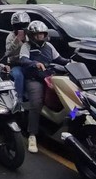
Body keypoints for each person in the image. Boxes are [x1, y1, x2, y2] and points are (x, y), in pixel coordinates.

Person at [19, 20, 70, 154]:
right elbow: (23, 60)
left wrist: (72, 62)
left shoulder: (49, 46)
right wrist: (35, 63)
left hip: (50, 77)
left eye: (42, 34)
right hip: (34, 79)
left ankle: (70, 122)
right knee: (36, 103)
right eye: (37, 34)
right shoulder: (27, 46)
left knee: (71, 99)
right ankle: (32, 135)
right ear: (31, 35)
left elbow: (60, 60)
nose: (40, 36)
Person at [5, 11, 30, 101]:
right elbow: (8, 52)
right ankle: (19, 99)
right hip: (15, 64)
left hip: (29, 63)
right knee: (19, 75)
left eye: (24, 26)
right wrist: (17, 40)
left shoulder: (30, 36)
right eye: (18, 26)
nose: (21, 28)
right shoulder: (11, 37)